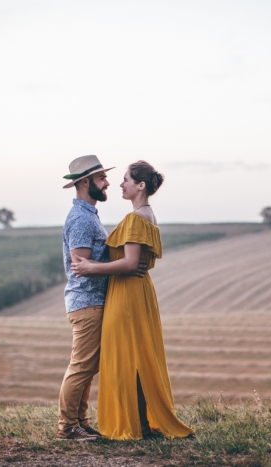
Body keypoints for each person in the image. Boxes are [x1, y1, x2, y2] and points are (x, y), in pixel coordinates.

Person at [71, 160, 194, 440]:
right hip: (137, 292)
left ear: (141, 186)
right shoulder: (147, 215)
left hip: (127, 294)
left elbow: (130, 263)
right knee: (135, 358)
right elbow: (134, 262)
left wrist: (92, 268)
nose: (120, 184)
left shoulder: (136, 218)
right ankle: (139, 421)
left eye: (126, 179)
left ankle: (134, 424)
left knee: (126, 359)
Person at [57, 155, 146, 441]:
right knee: (82, 365)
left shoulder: (89, 215)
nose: (108, 182)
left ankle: (80, 422)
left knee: (88, 366)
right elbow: (81, 266)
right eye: (101, 178)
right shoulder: (82, 219)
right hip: (87, 302)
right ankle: (67, 428)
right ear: (85, 183)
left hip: (92, 302)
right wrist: (125, 265)